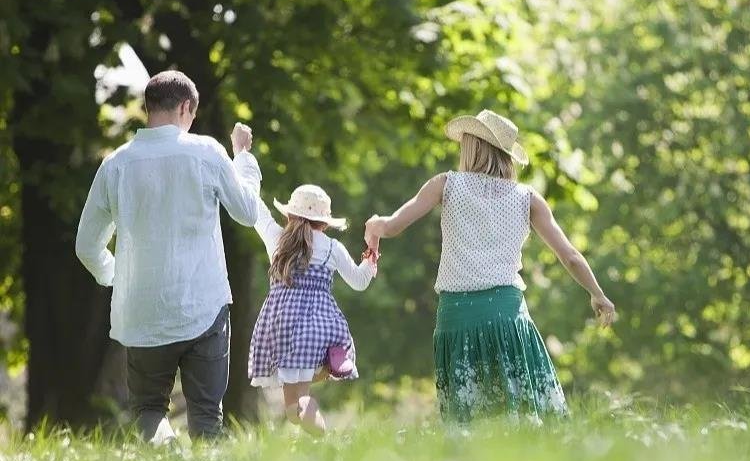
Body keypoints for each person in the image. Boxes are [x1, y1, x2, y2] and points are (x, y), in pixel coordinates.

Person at [364, 110, 616, 422]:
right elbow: (570, 256)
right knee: (524, 416)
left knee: (469, 422)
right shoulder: (528, 198)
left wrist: (374, 226)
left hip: (457, 318)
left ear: (472, 146)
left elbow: (392, 226)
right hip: (507, 316)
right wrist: (597, 293)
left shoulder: (445, 185)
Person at [75, 70, 263, 442]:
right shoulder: (207, 152)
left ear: (147, 108)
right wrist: (243, 158)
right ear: (185, 107)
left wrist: (116, 275)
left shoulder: (115, 164)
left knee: (148, 411)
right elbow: (247, 211)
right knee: (208, 414)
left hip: (141, 311)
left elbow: (86, 246)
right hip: (202, 306)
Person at [248, 185, 377, 435]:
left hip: (282, 327)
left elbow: (257, 210)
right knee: (301, 398)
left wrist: (242, 159)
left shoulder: (277, 239)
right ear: (325, 224)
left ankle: (319, 429)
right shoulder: (332, 247)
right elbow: (360, 282)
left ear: (288, 216)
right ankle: (326, 366)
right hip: (319, 327)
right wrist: (371, 255)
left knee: (293, 409)